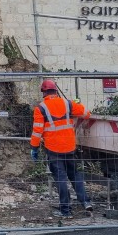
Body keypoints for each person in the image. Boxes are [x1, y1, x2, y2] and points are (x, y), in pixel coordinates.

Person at [30, 79, 93, 219]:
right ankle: (85, 201)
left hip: (53, 149)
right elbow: (87, 113)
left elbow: (37, 131)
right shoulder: (67, 103)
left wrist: (34, 148)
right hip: (70, 146)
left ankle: (66, 211)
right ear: (56, 91)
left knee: (60, 179)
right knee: (75, 175)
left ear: (44, 92)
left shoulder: (40, 108)